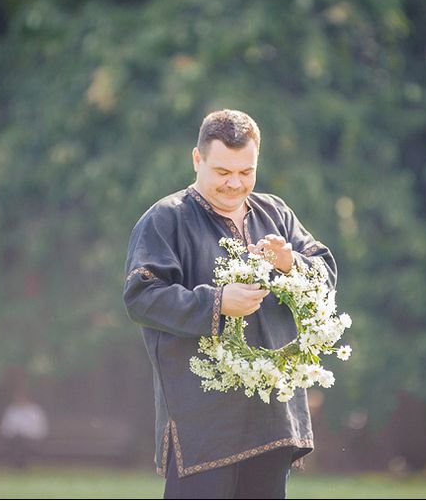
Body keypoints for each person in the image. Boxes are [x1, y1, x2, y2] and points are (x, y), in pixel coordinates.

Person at [123, 109, 336, 499]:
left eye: (246, 171)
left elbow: (326, 273)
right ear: (197, 159)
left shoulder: (276, 213)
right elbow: (142, 297)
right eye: (223, 172)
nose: (235, 183)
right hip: (202, 423)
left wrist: (292, 264)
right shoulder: (166, 219)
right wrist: (218, 303)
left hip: (273, 416)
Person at [0, 390, 48, 468]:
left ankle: (20, 464)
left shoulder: (35, 411)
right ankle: (19, 464)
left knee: (22, 442)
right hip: (14, 439)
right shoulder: (11, 411)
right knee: (18, 442)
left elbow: (40, 429)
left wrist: (26, 433)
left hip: (32, 440)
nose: (20, 400)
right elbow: (5, 428)